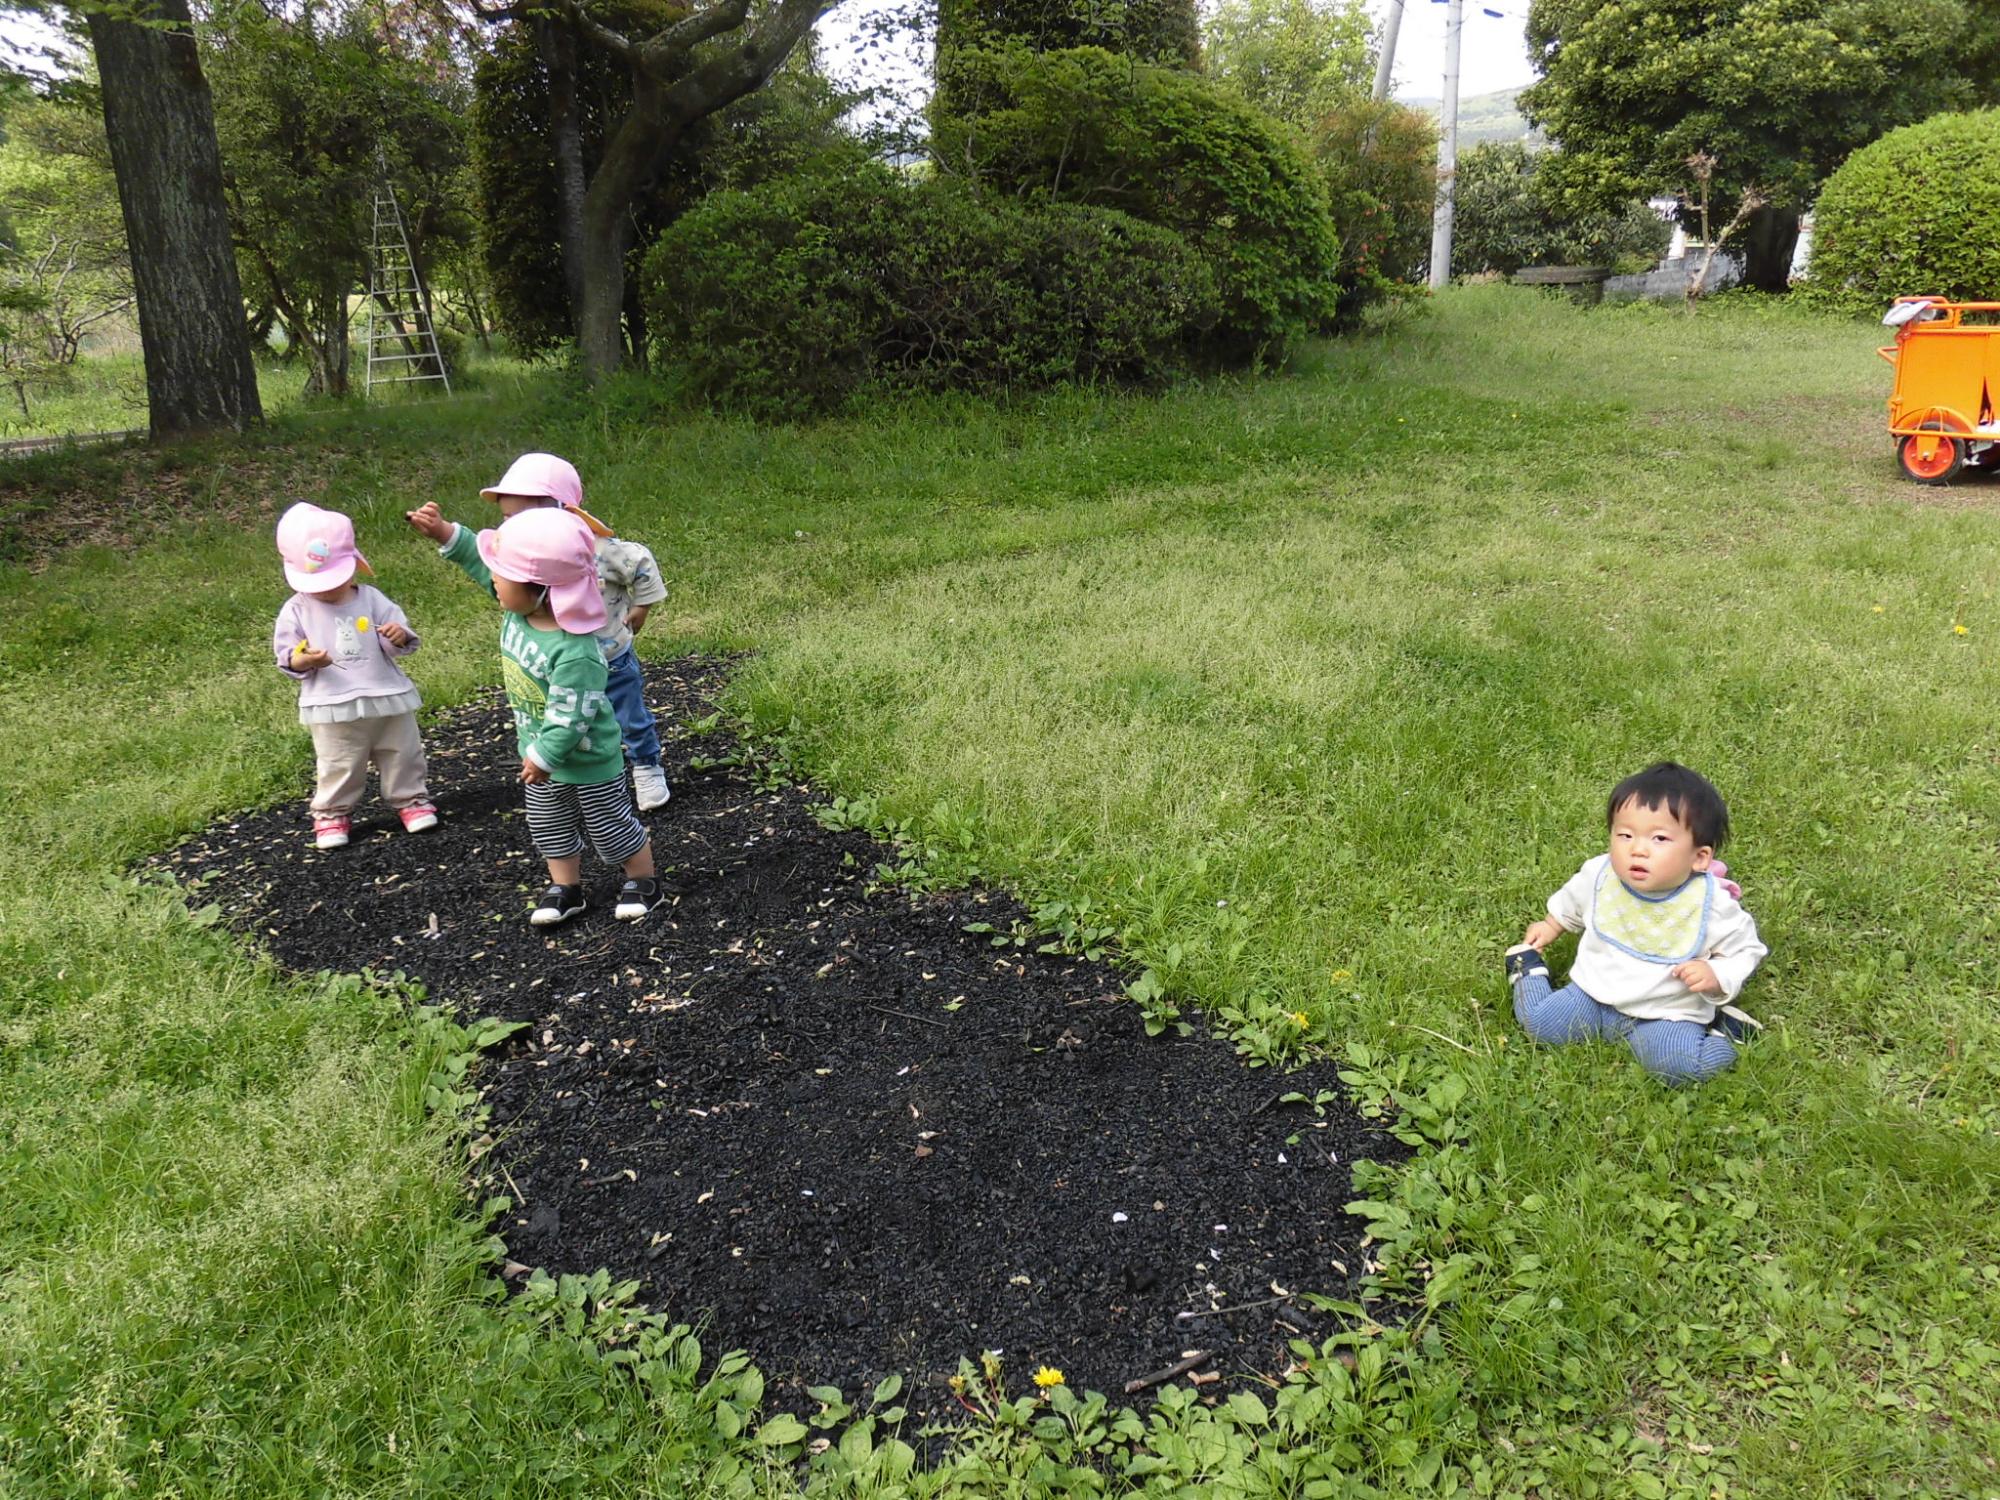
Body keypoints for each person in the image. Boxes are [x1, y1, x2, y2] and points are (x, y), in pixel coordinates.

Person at [406, 452, 670, 811]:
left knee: (629, 719)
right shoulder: (522, 561)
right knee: (565, 722)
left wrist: (641, 607)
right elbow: (483, 564)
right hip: (555, 669)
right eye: (507, 518)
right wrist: (443, 531)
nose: (509, 528)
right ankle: (577, 782)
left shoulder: (602, 551)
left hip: (610, 660)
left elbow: (640, 563)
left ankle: (645, 765)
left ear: (564, 510)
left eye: (520, 517)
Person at [437, 505, 663, 925]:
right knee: (549, 826)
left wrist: (545, 756)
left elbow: (572, 713)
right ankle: (567, 887)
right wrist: (447, 534)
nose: (492, 581)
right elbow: (477, 562)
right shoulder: (517, 610)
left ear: (538, 588)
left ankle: (642, 879)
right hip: (540, 756)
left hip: (587, 758)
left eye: (500, 576)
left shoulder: (576, 649)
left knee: (609, 826)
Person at [1505, 762, 1768, 1085]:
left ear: (1699, 857)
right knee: (1540, 1023)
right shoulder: (1602, 875)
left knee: (1681, 1068)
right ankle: (1526, 968)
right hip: (1592, 994)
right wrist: (1552, 924)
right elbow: (1574, 898)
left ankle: (1728, 1032)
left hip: (1665, 1013)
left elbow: (1746, 949)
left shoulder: (1710, 905)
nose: (1638, 849)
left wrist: (1718, 976)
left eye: (1659, 838)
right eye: (1625, 835)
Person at [272, 502, 437, 851]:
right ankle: (332, 813)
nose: (328, 589)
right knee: (338, 761)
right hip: (332, 702)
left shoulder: (372, 599)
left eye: (336, 578)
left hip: (385, 692)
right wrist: (304, 660)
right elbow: (286, 656)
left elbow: (402, 638)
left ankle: (411, 800)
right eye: (317, 582)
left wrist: (398, 635)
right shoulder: (297, 609)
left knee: (402, 751)